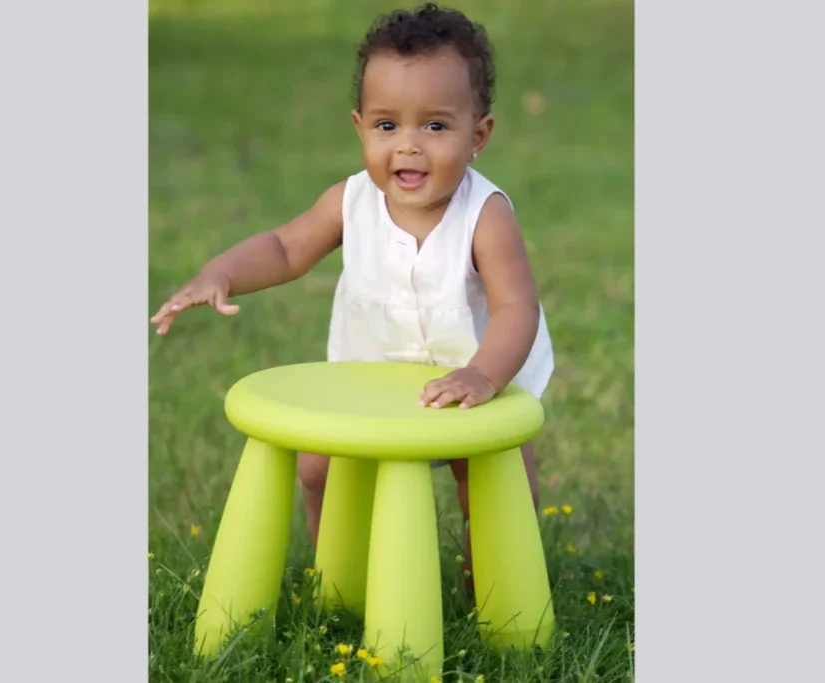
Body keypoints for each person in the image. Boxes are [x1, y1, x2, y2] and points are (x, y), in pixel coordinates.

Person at [150, 2, 554, 588]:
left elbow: (518, 308)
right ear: (360, 126)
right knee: (318, 466)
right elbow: (286, 249)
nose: (408, 146)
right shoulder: (352, 200)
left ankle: (489, 589)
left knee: (495, 478)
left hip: (476, 378)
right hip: (370, 377)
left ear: (478, 136)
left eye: (436, 126)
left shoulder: (484, 217)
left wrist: (482, 376)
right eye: (388, 125)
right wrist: (222, 273)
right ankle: (339, 576)